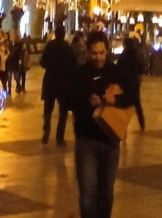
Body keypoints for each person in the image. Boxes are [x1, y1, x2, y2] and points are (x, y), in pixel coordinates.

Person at [69, 31, 137, 218]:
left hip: (110, 139)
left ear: (107, 51)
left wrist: (115, 98)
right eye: (94, 53)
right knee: (88, 193)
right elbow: (69, 100)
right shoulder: (80, 74)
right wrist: (87, 101)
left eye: (101, 53)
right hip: (86, 139)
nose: (98, 57)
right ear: (88, 52)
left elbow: (132, 96)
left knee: (107, 192)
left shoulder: (116, 72)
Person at [40, 25, 75, 146]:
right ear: (64, 34)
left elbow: (42, 62)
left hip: (50, 80)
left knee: (47, 109)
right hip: (64, 83)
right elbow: (73, 65)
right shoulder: (68, 47)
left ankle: (46, 129)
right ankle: (60, 137)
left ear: (55, 33)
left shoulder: (50, 46)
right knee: (63, 111)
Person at [118, 35, 147, 131]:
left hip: (125, 83)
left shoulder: (123, 56)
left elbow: (119, 68)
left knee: (124, 104)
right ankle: (142, 123)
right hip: (135, 82)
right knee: (137, 103)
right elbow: (142, 68)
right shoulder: (136, 55)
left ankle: (123, 125)